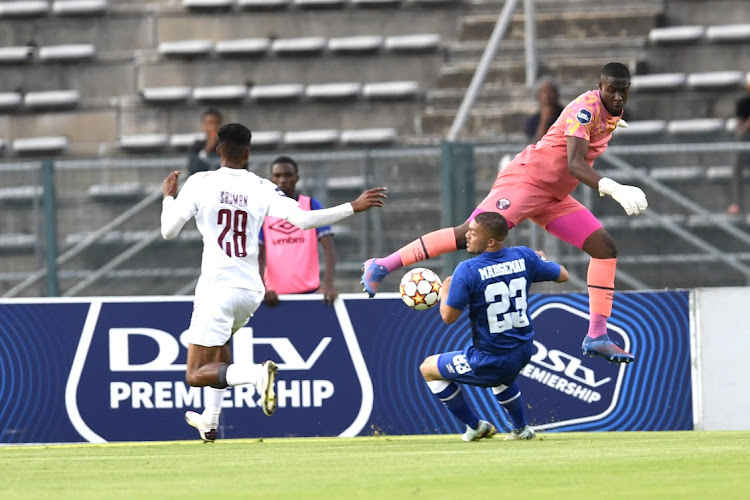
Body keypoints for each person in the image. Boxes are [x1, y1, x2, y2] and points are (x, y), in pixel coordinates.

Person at [363, 62, 646, 364]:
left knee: (604, 249)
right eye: (611, 90)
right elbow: (575, 164)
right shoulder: (584, 110)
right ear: (599, 87)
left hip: (555, 197)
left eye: (623, 91)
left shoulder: (610, 112)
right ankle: (381, 265)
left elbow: (597, 127)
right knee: (467, 235)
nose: (617, 97)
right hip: (526, 182)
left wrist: (610, 121)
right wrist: (613, 187)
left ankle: (597, 336)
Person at [160, 123, 386, 442]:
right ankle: (209, 421)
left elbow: (168, 231)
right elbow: (304, 220)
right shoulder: (261, 187)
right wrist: (353, 206)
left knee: (195, 374)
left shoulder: (200, 183)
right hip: (250, 290)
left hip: (216, 289)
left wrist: (169, 198)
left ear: (218, 151)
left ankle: (254, 374)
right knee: (220, 346)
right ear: (249, 153)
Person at [421, 212, 569, 441]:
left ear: (490, 241)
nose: (466, 236)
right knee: (502, 378)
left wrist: (445, 290)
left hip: (492, 357)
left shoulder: (467, 270)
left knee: (428, 368)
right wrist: (539, 261)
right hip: (523, 350)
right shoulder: (524, 256)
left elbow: (448, 318)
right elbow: (563, 275)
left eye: (473, 233)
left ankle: (475, 426)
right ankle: (521, 429)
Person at [258, 156, 338, 307]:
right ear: (271, 179)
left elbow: (329, 247)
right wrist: (261, 287)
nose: (282, 180)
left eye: (288, 175)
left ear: (297, 178)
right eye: (277, 175)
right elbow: (258, 254)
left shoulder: (311, 205)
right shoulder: (264, 210)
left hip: (311, 294)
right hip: (274, 298)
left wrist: (328, 283)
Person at [727, 94, 750, 215]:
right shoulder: (744, 102)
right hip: (746, 143)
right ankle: (738, 204)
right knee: (736, 165)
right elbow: (741, 127)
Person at [524, 76, 565, 144]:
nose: (547, 95)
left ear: (556, 94)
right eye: (543, 91)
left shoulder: (566, 115)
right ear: (538, 96)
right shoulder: (531, 121)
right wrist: (544, 121)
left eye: (550, 91)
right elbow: (535, 145)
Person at [187, 108, 223, 175]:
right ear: (203, 125)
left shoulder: (228, 145)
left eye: (216, 123)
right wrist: (206, 150)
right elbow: (193, 169)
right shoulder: (197, 146)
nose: (213, 127)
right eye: (209, 123)